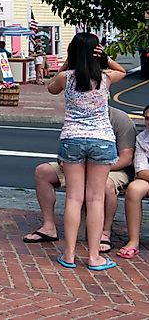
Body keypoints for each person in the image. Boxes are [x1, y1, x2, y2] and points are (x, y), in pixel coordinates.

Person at [46, 32, 126, 270]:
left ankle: (69, 254)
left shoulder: (65, 78)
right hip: (101, 139)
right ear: (96, 53)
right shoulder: (105, 77)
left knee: (73, 196)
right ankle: (93, 256)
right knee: (95, 198)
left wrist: (68, 62)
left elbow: (51, 87)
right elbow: (122, 71)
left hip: (72, 138)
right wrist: (107, 58)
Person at [23, 106, 136, 253]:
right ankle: (49, 226)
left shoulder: (120, 119)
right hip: (79, 166)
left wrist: (96, 171)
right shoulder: (76, 114)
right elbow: (67, 145)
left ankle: (105, 232)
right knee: (43, 172)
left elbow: (126, 158)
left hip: (113, 168)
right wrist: (63, 160)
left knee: (105, 185)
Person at [117, 103, 149, 259]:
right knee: (134, 189)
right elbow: (141, 170)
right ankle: (134, 241)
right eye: (147, 118)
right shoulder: (142, 139)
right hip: (148, 177)